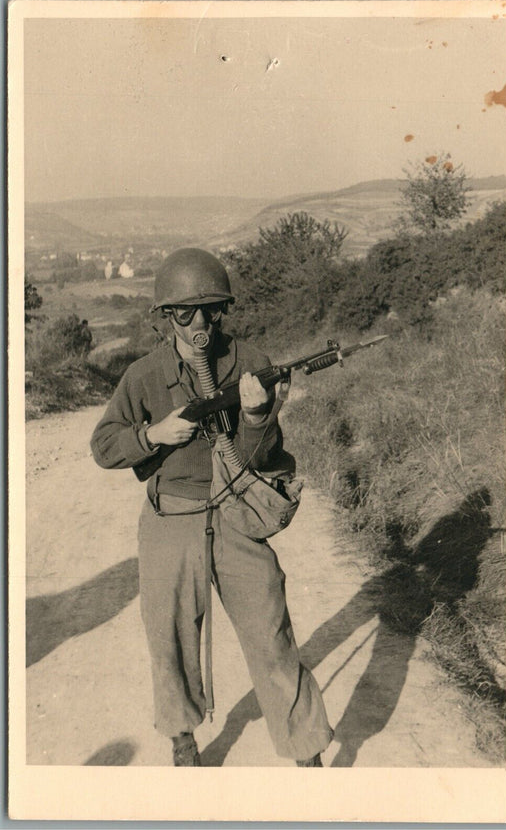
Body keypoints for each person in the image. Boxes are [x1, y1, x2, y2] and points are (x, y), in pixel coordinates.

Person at [90, 248, 333, 767]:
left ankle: (305, 748)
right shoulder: (143, 375)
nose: (199, 322)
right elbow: (104, 445)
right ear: (164, 316)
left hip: (237, 514)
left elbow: (262, 456)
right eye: (185, 312)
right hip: (171, 519)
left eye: (212, 310)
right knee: (170, 635)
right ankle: (182, 734)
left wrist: (255, 414)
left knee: (271, 634)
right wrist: (152, 434)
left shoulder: (252, 365)